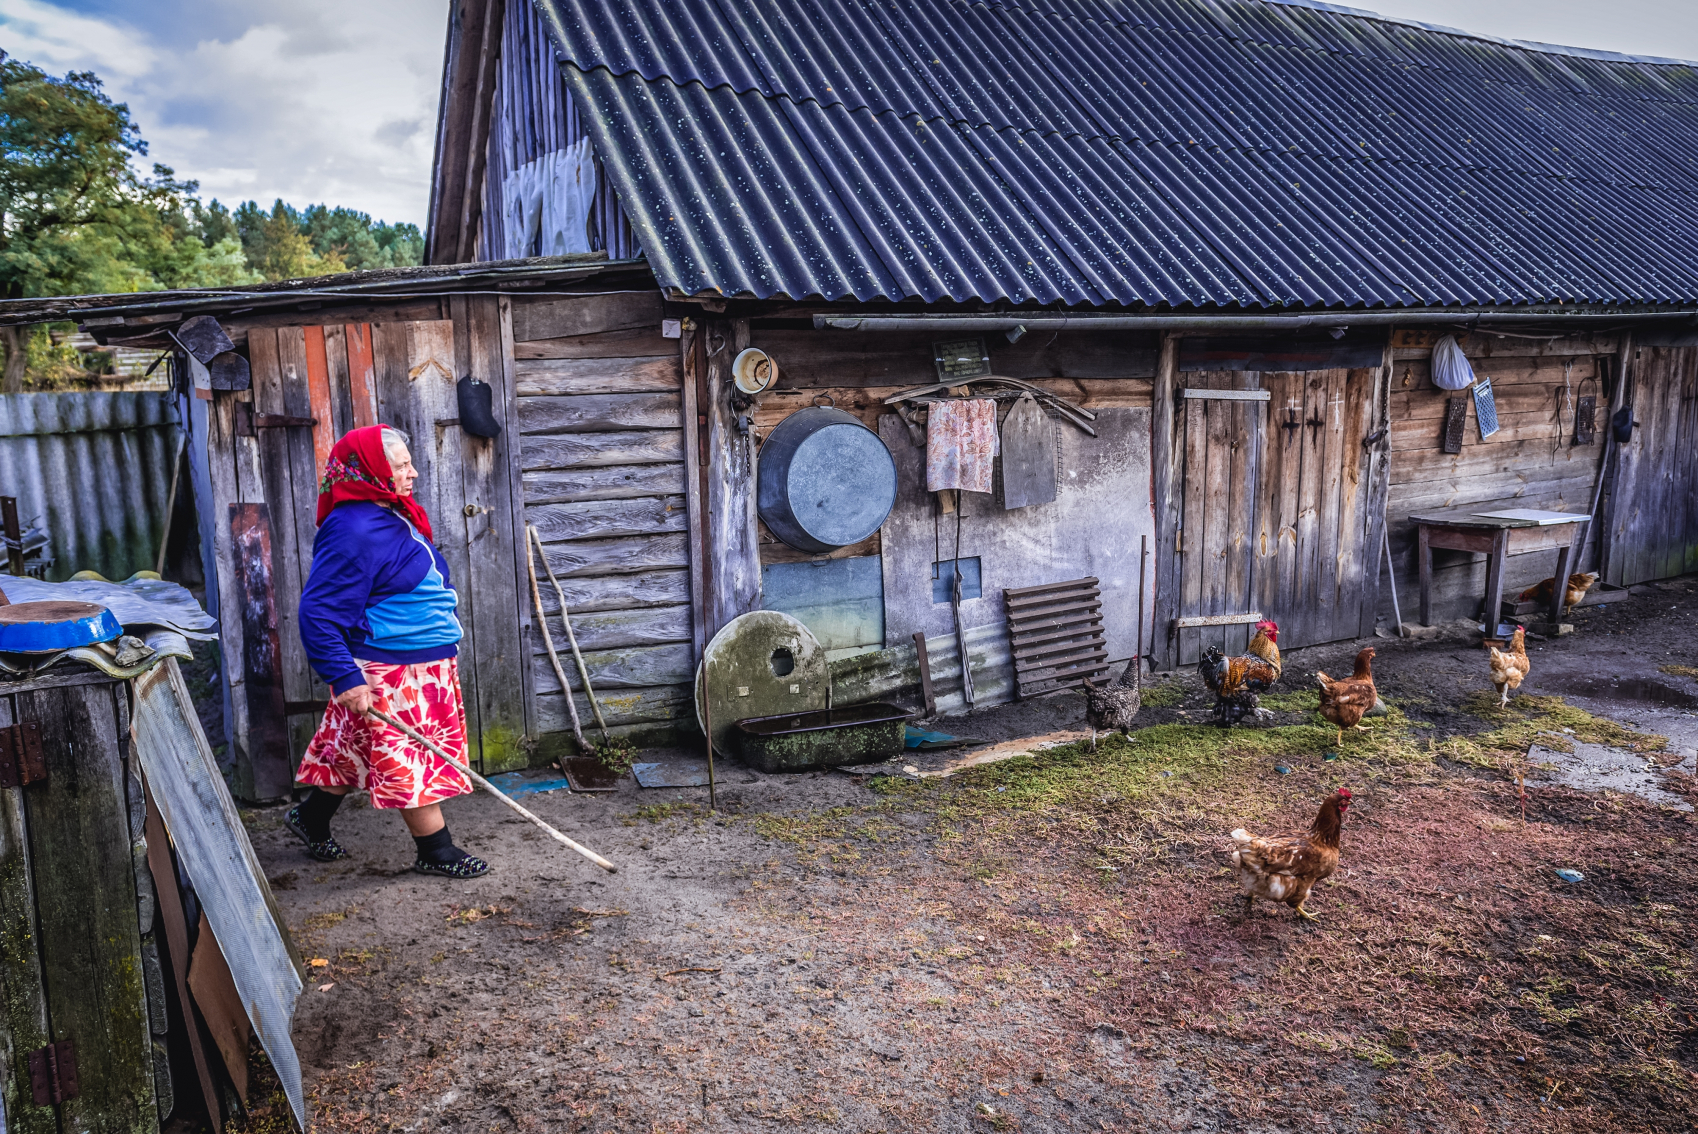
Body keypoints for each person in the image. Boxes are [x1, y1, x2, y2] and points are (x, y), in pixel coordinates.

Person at [286, 424, 490, 879]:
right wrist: (346, 676)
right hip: (393, 669)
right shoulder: (353, 528)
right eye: (401, 466)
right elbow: (318, 612)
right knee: (409, 755)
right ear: (371, 470)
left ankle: (310, 817)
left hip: (419, 662)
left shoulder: (387, 512)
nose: (413, 472)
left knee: (354, 746)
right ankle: (435, 850)